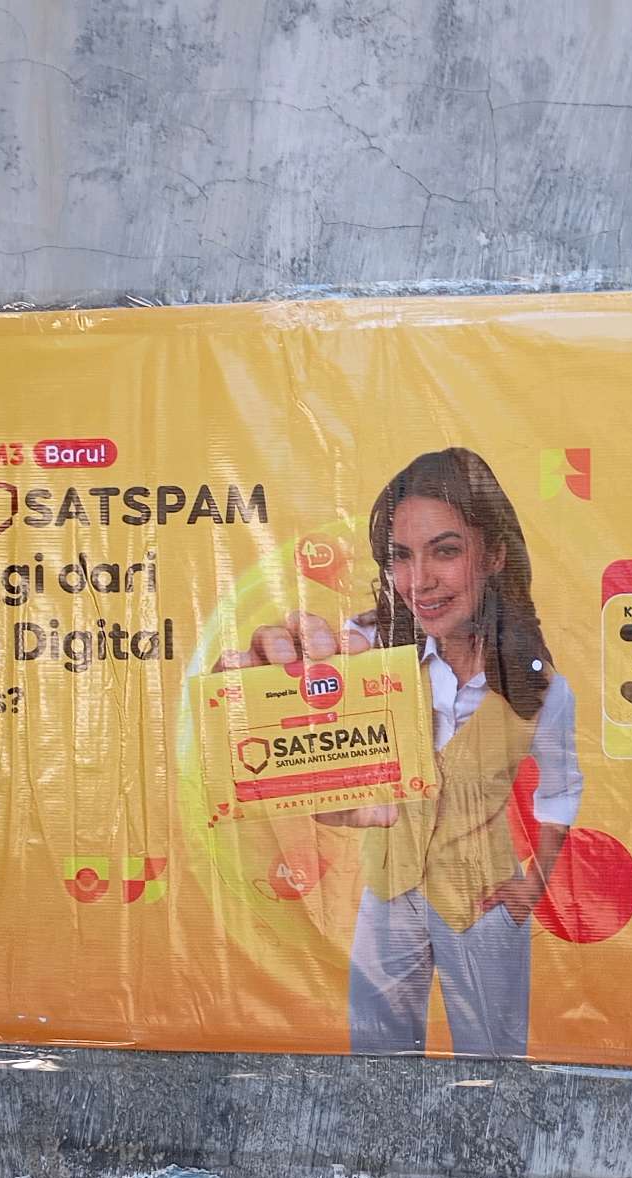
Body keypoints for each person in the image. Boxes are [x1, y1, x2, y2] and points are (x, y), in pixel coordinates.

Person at [216, 447, 582, 1056]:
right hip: (388, 893)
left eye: (445, 551)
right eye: (400, 557)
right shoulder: (365, 652)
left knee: (494, 1063)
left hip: (484, 902)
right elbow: (296, 716)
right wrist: (257, 695)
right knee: (377, 1060)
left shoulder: (541, 688)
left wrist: (533, 886)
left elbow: (561, 792)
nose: (419, 581)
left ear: (494, 554)